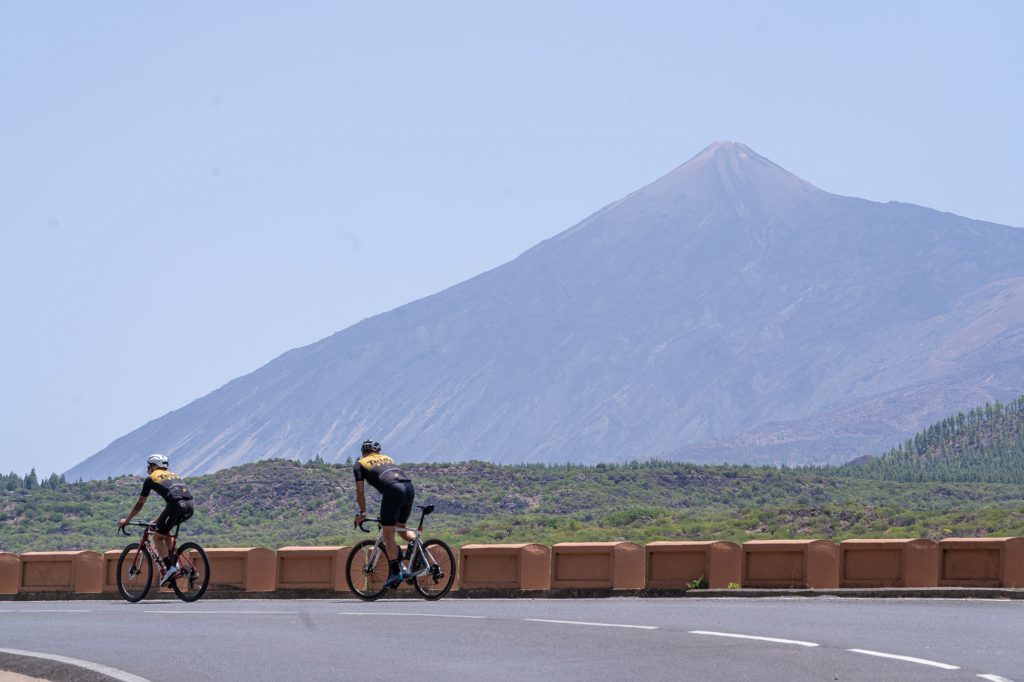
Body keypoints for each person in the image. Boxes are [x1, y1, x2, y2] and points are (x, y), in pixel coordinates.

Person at [118, 453, 195, 586]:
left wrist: (127, 520)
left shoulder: (151, 478)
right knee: (165, 531)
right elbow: (173, 503)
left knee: (157, 538)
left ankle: (170, 569)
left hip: (175, 506)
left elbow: (140, 504)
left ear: (154, 466)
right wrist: (156, 521)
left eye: (149, 466)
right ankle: (175, 563)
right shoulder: (174, 475)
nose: (148, 469)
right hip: (190, 506)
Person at [353, 440, 415, 589]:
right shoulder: (388, 458)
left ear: (363, 453)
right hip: (409, 487)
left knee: (388, 535)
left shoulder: (360, 464)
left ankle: (396, 573)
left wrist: (363, 513)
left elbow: (360, 491)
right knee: (401, 527)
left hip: (393, 491)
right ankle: (417, 548)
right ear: (378, 452)